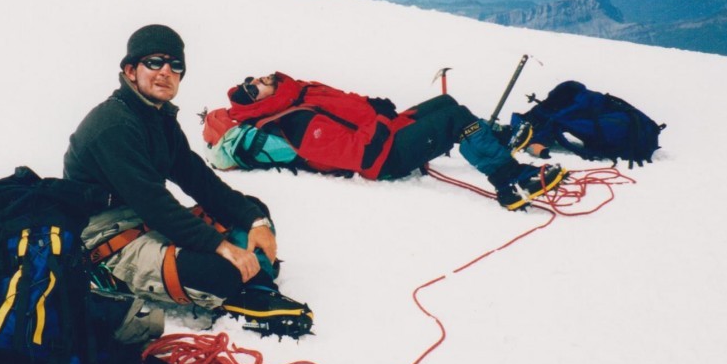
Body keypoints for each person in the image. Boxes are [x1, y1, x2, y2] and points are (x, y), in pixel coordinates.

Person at [63, 26, 312, 338]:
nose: (165, 72)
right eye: (154, 62)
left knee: (250, 211)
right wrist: (222, 247)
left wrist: (256, 220)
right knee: (220, 272)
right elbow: (156, 205)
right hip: (107, 237)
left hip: (147, 220)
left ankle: (254, 283)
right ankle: (248, 284)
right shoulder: (113, 126)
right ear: (130, 70)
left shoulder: (158, 117)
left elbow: (199, 180)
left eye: (175, 65)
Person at [223, 72, 566, 210]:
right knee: (454, 118)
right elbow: (360, 154)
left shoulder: (300, 90)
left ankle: (493, 140)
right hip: (386, 158)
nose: (257, 80)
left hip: (388, 132)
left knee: (447, 104)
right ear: (259, 103)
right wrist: (383, 118)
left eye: (250, 79)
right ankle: (510, 182)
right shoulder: (296, 121)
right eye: (252, 89)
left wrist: (375, 106)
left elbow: (349, 105)